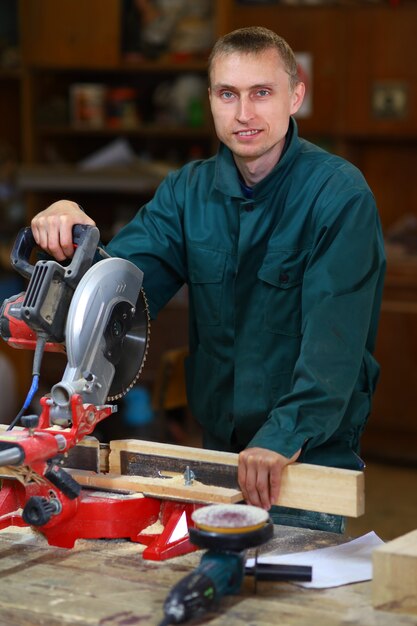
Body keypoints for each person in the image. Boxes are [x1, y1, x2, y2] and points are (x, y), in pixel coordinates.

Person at [30, 26, 385, 533]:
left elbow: (335, 347)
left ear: (296, 96)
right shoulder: (185, 193)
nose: (244, 113)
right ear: (212, 100)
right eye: (228, 94)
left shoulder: (339, 196)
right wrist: (71, 239)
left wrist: (281, 437)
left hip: (307, 455)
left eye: (262, 93)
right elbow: (119, 293)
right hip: (218, 454)